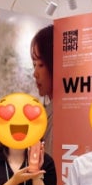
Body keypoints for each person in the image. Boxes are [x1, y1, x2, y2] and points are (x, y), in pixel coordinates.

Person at [31, 24, 54, 154]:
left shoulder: (58, 115)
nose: (35, 74)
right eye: (34, 65)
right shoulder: (48, 111)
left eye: (41, 65)